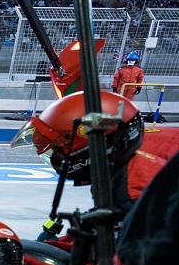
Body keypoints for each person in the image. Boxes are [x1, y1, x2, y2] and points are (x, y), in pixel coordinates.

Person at [10, 90, 179, 213]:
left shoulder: (131, 191)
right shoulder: (116, 167)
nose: (55, 158)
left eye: (57, 150)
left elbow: (121, 257)